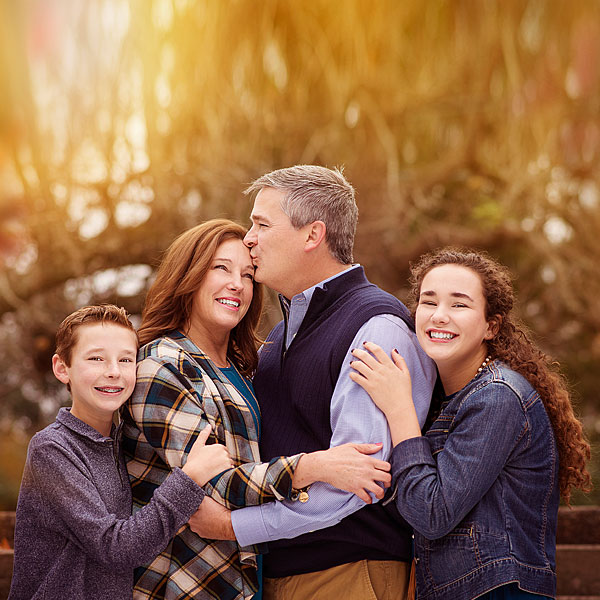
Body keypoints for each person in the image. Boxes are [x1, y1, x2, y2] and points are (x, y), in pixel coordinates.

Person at [190, 166, 437, 600]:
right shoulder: (281, 337)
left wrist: (232, 526)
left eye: (262, 224)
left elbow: (359, 483)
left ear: (312, 234)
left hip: (349, 573)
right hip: (276, 574)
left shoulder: (375, 327)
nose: (249, 238)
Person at [122, 218, 393, 600]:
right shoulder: (162, 366)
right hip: (182, 582)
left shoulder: (249, 368)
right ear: (189, 275)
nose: (237, 283)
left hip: (245, 581)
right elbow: (211, 485)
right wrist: (314, 466)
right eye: (221, 268)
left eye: (248, 275)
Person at [349, 247, 592, 600]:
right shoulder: (443, 399)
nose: (439, 316)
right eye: (429, 302)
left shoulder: (497, 397)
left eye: (459, 305)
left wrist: (399, 409)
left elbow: (432, 513)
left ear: (491, 326)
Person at [9, 305, 233, 600]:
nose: (113, 371)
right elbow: (116, 548)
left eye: (126, 359)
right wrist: (189, 477)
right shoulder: (51, 449)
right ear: (62, 368)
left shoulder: (124, 444)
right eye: (96, 358)